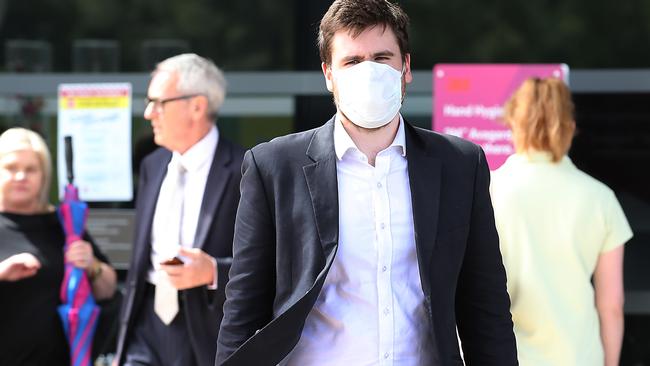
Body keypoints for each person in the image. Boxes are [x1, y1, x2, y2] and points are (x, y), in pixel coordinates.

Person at [216, 0, 518, 365]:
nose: (369, 72)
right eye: (352, 61)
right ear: (329, 73)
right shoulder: (275, 167)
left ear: (406, 67)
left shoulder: (459, 165)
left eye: (382, 57)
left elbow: (486, 307)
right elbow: (243, 309)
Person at [490, 77, 634, 366]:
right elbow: (612, 306)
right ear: (569, 127)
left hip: (505, 356)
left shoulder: (487, 191)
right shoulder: (600, 198)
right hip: (579, 357)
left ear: (514, 123)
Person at [114, 53, 245, 366]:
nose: (148, 113)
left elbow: (270, 263)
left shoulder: (246, 170)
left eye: (158, 102)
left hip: (209, 329)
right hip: (146, 323)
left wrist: (213, 270)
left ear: (197, 106)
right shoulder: (152, 165)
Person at [0, 127, 117, 365]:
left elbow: (108, 288)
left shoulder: (65, 224)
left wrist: (91, 265)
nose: (21, 176)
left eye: (31, 169)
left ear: (44, 176)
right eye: (11, 168)